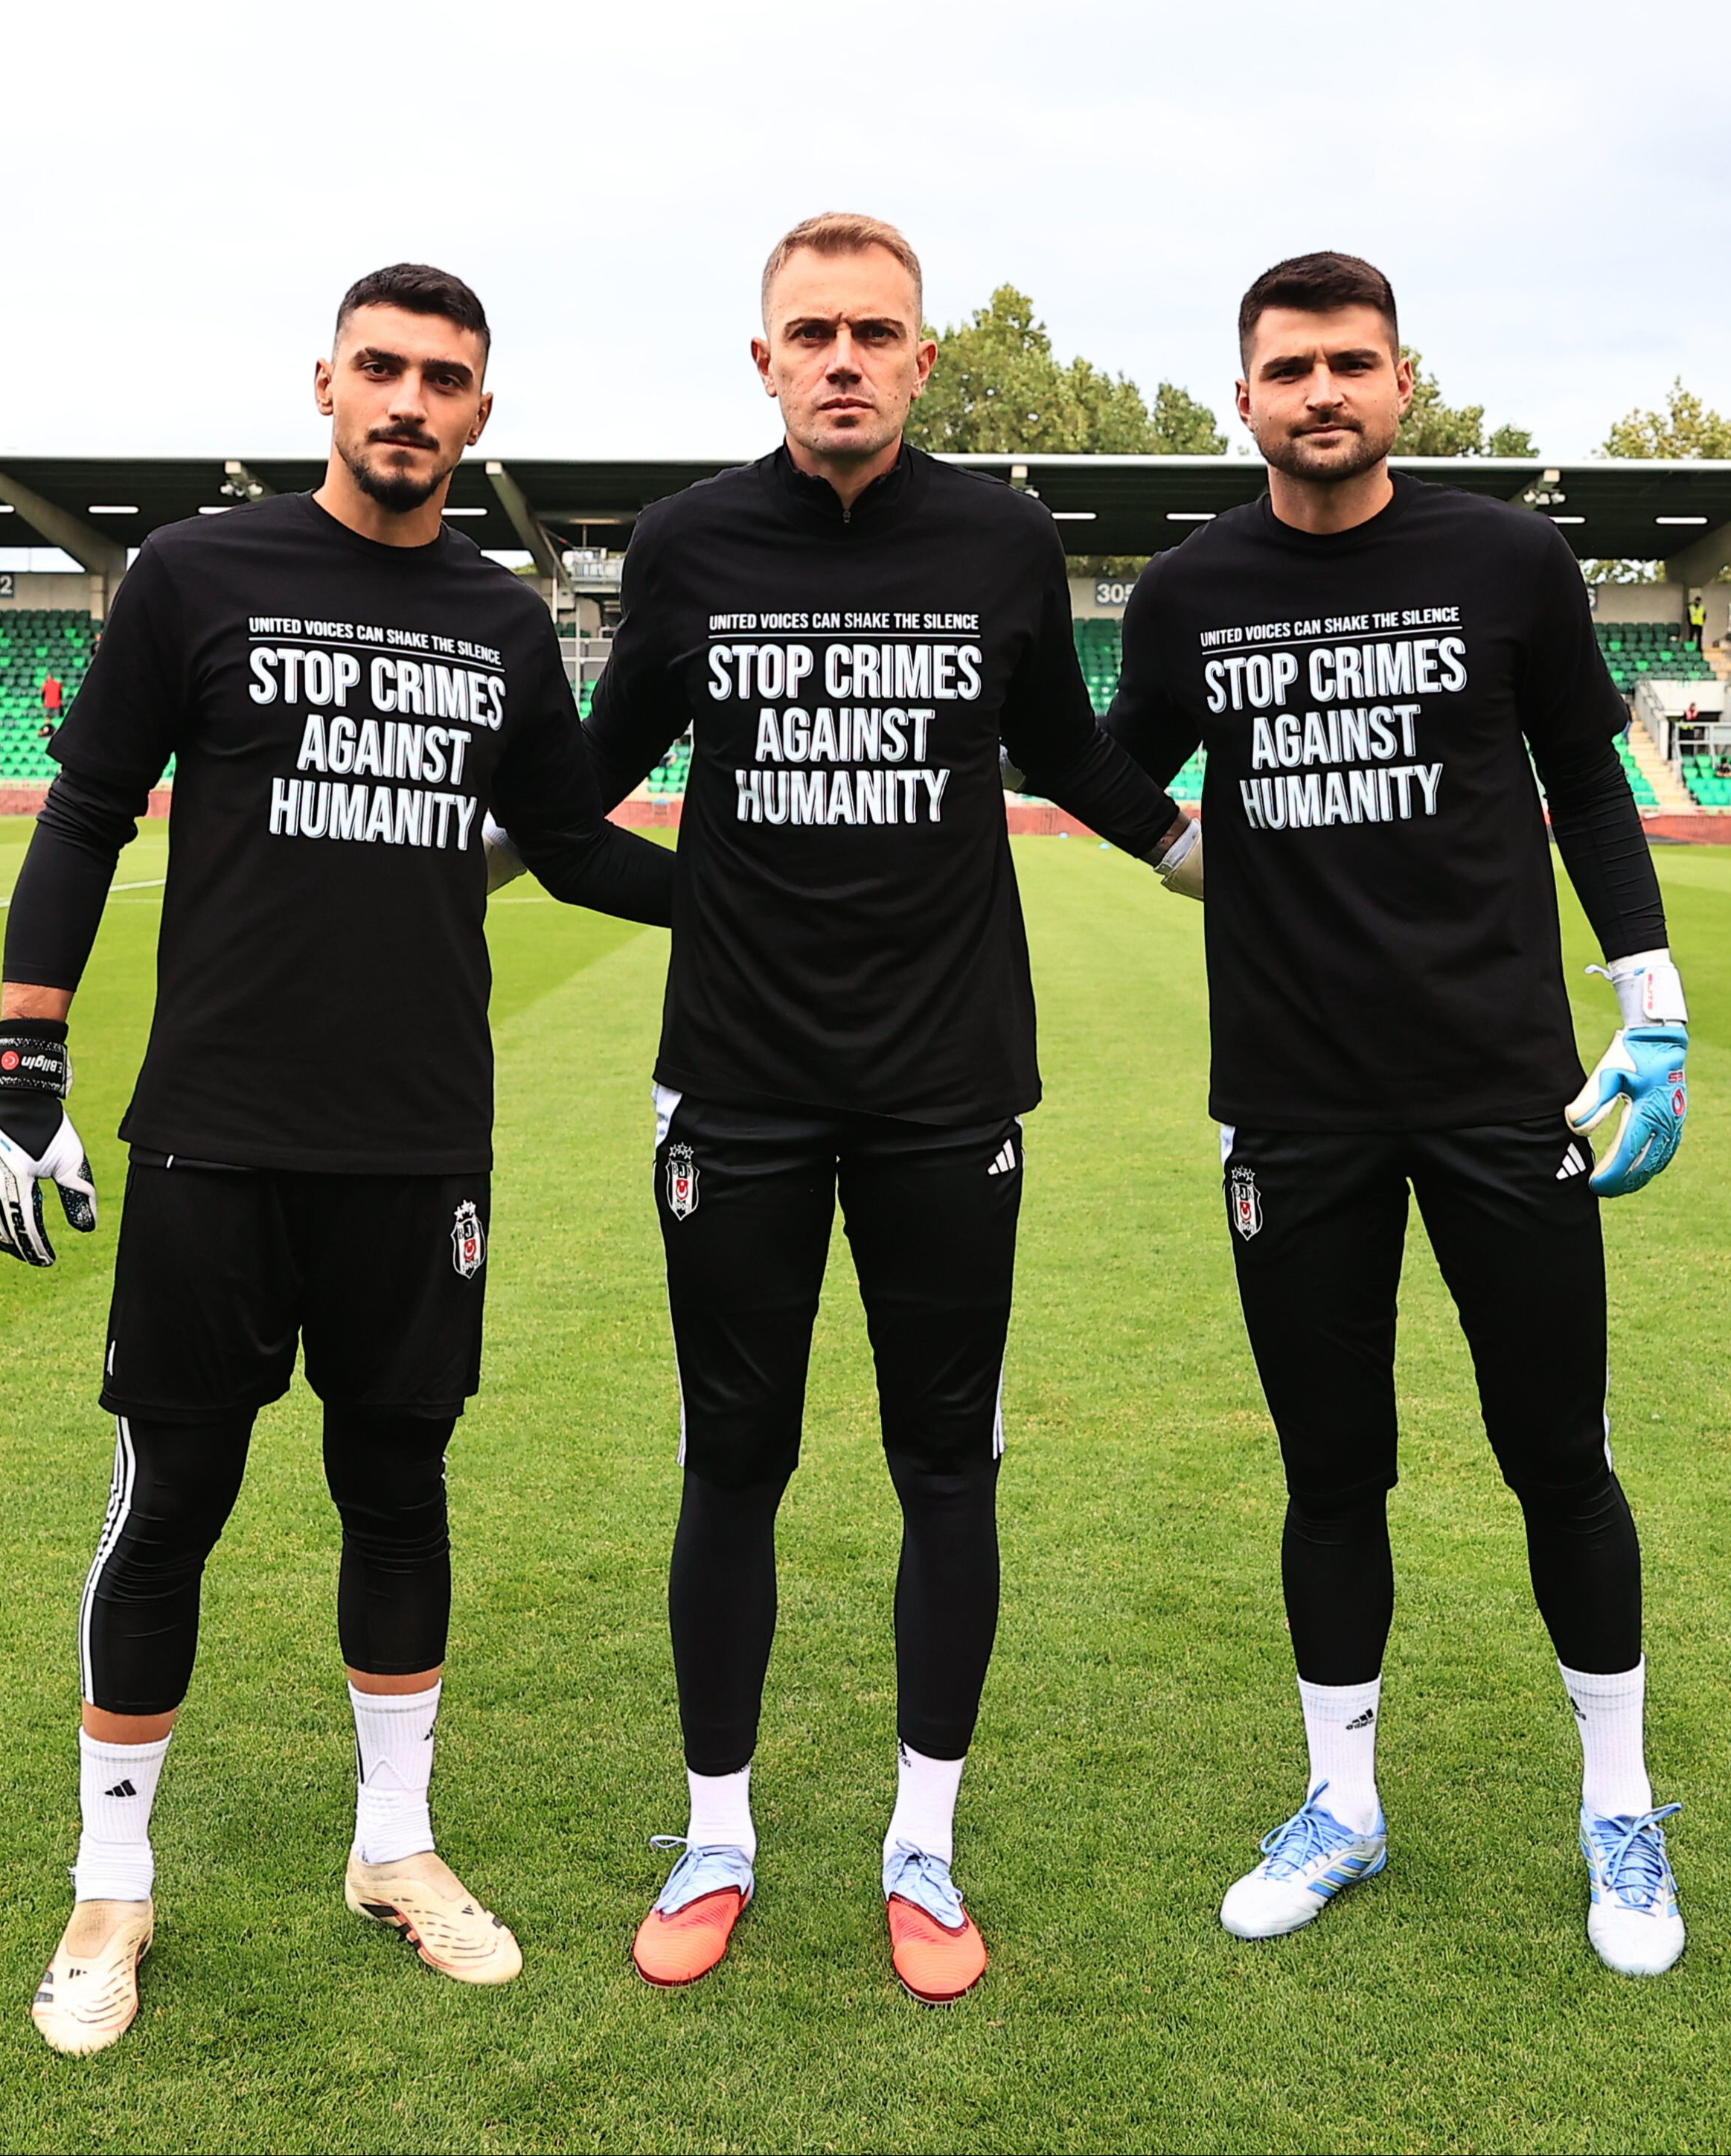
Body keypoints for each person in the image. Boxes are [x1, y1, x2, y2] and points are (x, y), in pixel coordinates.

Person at [0, 260, 674, 2059]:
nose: (409, 402)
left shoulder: (500, 618)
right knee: (170, 1510)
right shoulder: (197, 573)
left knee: (397, 1491)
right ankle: (109, 1887)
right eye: (382, 368)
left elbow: (570, 844)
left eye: (443, 378)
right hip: (214, 1138)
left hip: (418, 1147)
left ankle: (394, 1848)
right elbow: (85, 808)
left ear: (479, 413)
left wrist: (767, 901)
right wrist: (24, 1067)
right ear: (324, 385)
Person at [580, 211, 1195, 2006]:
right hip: (736, 1091)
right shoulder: (687, 545)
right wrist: (699, 908)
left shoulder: (1001, 541)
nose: (840, 359)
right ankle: (715, 1835)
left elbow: (1074, 757)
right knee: (732, 1463)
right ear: (761, 359)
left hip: (946, 1088)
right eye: (810, 333)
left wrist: (1238, 876)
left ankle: (921, 1844)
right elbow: (581, 784)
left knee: (945, 1466)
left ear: (923, 362)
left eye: (873, 333)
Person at [1101, 251, 1691, 1977]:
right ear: (1242, 398)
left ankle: (1618, 1810)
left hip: (1503, 1089)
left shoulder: (1505, 561)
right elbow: (1104, 765)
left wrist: (1649, 997)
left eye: (1348, 363)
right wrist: (1188, 859)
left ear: (1399, 382)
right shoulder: (1189, 591)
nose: (1320, 393)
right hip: (1290, 1110)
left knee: (1555, 1456)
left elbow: (1584, 778)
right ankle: (1339, 1804)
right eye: (1288, 369)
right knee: (1329, 1467)